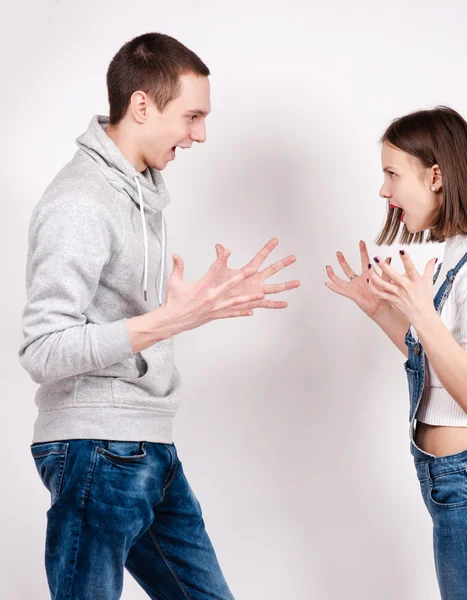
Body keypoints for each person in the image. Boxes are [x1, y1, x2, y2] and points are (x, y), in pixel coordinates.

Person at [19, 32, 299, 600]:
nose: (200, 135)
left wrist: (186, 313)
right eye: (192, 116)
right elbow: (41, 350)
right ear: (141, 104)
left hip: (147, 445)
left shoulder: (138, 194)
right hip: (95, 447)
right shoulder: (81, 201)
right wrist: (173, 320)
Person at [325, 106, 467, 599]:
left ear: (437, 175)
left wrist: (422, 314)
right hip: (462, 484)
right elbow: (445, 366)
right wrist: (384, 312)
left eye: (391, 173)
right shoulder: (459, 253)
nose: (384, 191)